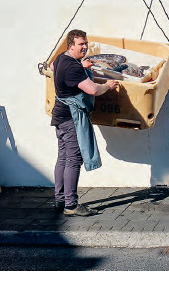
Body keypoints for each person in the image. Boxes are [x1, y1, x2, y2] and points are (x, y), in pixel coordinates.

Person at [50, 29, 120, 215]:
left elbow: (51, 68)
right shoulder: (72, 68)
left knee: (63, 157)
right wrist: (107, 85)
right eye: (81, 44)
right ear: (71, 45)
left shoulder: (61, 59)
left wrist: (81, 65)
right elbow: (92, 90)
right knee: (74, 159)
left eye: (86, 43)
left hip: (59, 116)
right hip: (70, 118)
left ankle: (60, 200)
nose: (85, 47)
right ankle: (71, 205)